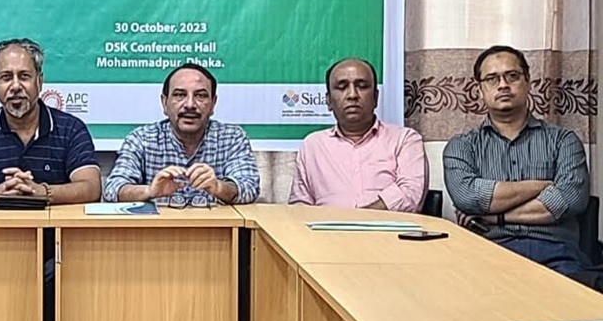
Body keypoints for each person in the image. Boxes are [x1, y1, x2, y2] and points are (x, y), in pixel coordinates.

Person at [444, 45, 591, 274]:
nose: (503, 85)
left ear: (528, 82)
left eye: (512, 76)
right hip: (486, 254)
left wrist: (494, 218)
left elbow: (570, 200)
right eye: (492, 79)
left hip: (557, 254)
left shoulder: (564, 141)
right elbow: (468, 198)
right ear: (479, 89)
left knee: (576, 295)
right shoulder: (462, 146)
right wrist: (542, 185)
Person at [0, 38, 100, 205]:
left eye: (24, 76)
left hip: (52, 222)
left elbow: (91, 187)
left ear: (39, 81)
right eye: (6, 77)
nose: (15, 86)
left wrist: (42, 192)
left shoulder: (71, 129)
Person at [104, 63, 260, 205]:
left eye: (200, 95)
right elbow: (112, 190)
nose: (190, 104)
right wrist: (149, 191)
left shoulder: (232, 138)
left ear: (213, 104)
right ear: (164, 103)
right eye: (180, 95)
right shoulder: (142, 139)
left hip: (218, 226)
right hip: (159, 226)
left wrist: (219, 187)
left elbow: (249, 188)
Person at [289, 58, 428, 212]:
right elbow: (299, 206)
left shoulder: (404, 140)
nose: (352, 95)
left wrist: (356, 219)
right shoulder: (313, 145)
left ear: (375, 97)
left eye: (362, 86)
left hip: (386, 227)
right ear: (328, 101)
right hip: (324, 227)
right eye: (342, 87)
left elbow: (410, 195)